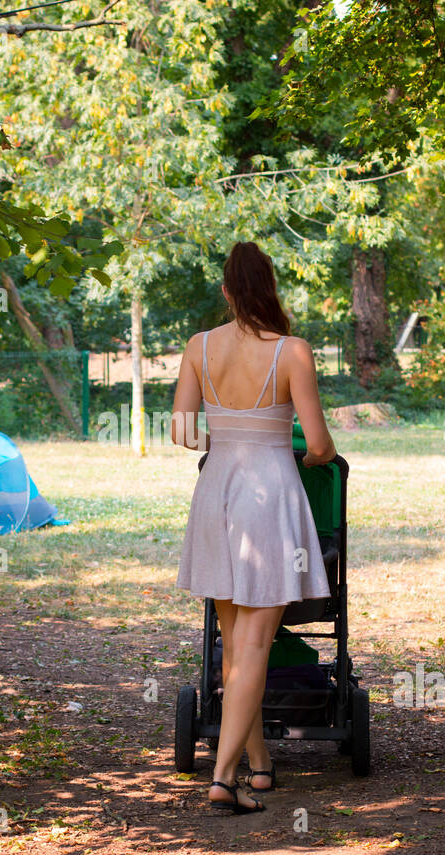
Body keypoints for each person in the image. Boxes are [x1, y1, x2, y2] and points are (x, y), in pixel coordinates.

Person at [171, 241, 336, 814]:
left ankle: (259, 764)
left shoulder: (199, 346)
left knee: (236, 647)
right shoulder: (292, 351)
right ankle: (222, 780)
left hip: (217, 493)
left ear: (225, 291)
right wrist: (306, 455)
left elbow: (183, 433)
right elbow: (317, 445)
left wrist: (228, 436)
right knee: (256, 646)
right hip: (269, 499)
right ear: (269, 287)